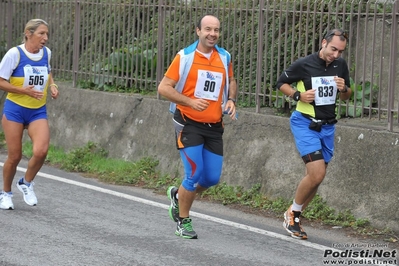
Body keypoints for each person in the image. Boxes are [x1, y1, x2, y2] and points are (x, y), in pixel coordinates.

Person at [158, 14, 237, 239]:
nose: (212, 34)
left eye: (216, 30)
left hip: (214, 125)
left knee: (211, 178)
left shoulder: (224, 56)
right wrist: (190, 101)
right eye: (208, 29)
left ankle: (178, 194)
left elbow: (231, 80)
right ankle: (183, 221)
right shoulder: (185, 57)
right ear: (198, 31)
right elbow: (164, 88)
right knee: (193, 174)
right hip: (188, 123)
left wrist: (231, 99)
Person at [276, 29, 352, 239]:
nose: (336, 55)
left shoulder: (340, 65)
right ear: (324, 43)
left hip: (328, 127)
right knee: (317, 173)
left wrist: (344, 87)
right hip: (305, 124)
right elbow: (281, 83)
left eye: (340, 51)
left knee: (316, 178)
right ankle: (292, 214)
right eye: (333, 49)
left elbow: (347, 96)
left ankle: (295, 216)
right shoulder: (304, 64)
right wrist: (298, 95)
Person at [0, 19, 59, 210]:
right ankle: (6, 193)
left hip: (37, 111)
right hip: (15, 109)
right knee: (14, 156)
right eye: (41, 33)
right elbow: (1, 81)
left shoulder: (46, 53)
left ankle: (26, 182)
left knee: (41, 151)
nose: (45, 38)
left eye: (47, 34)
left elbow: (48, 72)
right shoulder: (14, 54)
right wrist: (24, 91)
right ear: (28, 33)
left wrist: (53, 85)